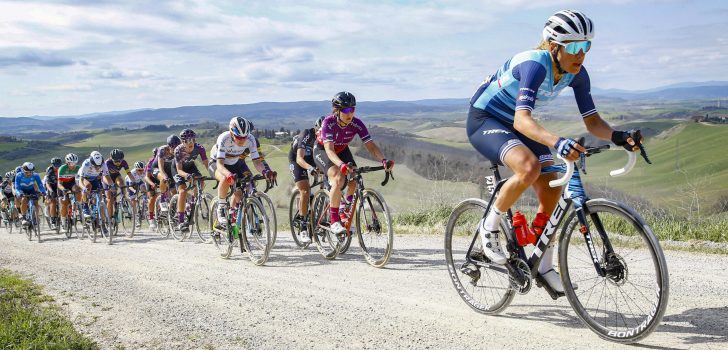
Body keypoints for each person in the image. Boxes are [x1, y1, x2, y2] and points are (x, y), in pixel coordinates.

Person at [465, 9, 643, 294]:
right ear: (553, 46)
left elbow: (593, 122)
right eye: (574, 46)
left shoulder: (577, 74)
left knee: (552, 187)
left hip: (516, 123)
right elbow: (522, 120)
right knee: (528, 167)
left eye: (586, 46)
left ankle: (543, 263)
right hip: (485, 120)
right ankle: (490, 225)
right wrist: (558, 142)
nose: (581, 54)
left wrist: (619, 136)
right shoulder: (535, 65)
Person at [313, 91, 394, 237]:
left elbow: (371, 146)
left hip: (342, 149)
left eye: (352, 109)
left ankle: (344, 207)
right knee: (338, 177)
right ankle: (334, 221)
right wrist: (341, 165)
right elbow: (330, 151)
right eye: (345, 110)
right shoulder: (328, 123)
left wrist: (383, 160)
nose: (350, 113)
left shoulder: (357, 124)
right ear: (336, 111)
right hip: (323, 151)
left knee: (355, 177)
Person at [212, 116, 277, 228]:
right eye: (238, 137)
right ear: (232, 133)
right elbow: (220, 165)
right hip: (217, 163)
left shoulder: (251, 139)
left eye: (245, 137)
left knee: (244, 187)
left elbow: (257, 162)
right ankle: (221, 207)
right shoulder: (224, 138)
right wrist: (228, 175)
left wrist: (266, 172)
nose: (242, 140)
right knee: (225, 179)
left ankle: (235, 215)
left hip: (235, 163)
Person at [289, 116, 325, 244]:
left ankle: (320, 216)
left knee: (327, 182)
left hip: (313, 159)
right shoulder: (307, 134)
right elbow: (299, 158)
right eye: (320, 132)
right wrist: (310, 169)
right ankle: (303, 226)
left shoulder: (326, 138)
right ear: (316, 129)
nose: (322, 135)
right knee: (305, 190)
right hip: (298, 159)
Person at [172, 129, 208, 232]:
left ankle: (193, 202)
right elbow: (179, 170)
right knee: (183, 191)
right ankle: (181, 221)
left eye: (193, 139)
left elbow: (207, 164)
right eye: (187, 140)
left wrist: (214, 175)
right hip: (179, 169)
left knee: (201, 182)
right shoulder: (178, 150)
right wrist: (187, 176)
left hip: (190, 166)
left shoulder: (199, 148)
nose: (191, 142)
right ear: (182, 142)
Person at [144, 135, 181, 228]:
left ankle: (173, 214)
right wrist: (164, 176)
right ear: (169, 146)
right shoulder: (162, 150)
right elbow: (160, 167)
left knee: (174, 192)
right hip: (157, 168)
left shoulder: (179, 151)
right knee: (163, 178)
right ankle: (163, 200)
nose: (175, 149)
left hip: (169, 169)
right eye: (173, 147)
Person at [77, 151, 113, 224]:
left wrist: (112, 185)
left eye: (99, 166)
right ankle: (85, 207)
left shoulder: (103, 164)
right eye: (96, 166)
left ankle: (101, 222)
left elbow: (107, 177)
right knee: (88, 186)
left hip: (93, 178)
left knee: (99, 195)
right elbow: (81, 181)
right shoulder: (86, 164)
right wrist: (84, 189)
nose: (98, 168)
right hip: (83, 178)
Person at [14, 162, 46, 227]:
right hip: (21, 190)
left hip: (31, 190)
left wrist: (43, 191)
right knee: (24, 199)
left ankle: (35, 217)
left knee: (36, 202)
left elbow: (40, 185)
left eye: (31, 172)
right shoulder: (19, 175)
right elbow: (16, 187)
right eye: (27, 172)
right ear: (23, 171)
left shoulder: (35, 175)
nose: (29, 174)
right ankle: (23, 218)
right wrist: (19, 193)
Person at [58, 153, 82, 228]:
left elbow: (80, 181)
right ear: (67, 163)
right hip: (63, 184)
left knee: (78, 190)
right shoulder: (62, 168)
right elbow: (59, 184)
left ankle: (77, 207)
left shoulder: (79, 168)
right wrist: (63, 189)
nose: (73, 165)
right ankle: (63, 221)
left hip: (72, 183)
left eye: (75, 163)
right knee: (64, 203)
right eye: (71, 163)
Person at [105, 149, 130, 220]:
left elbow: (129, 173)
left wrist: (133, 181)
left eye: (120, 161)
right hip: (107, 177)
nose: (118, 163)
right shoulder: (107, 163)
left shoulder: (124, 162)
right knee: (110, 198)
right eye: (115, 161)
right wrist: (111, 185)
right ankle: (109, 218)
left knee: (122, 183)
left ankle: (124, 200)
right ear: (111, 158)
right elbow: (104, 176)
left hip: (116, 176)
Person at [125, 161, 147, 228]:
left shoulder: (144, 172)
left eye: (142, 170)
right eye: (139, 170)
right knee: (133, 200)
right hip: (130, 184)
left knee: (145, 189)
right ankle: (136, 218)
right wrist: (135, 191)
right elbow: (130, 187)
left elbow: (146, 180)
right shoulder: (132, 173)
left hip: (139, 181)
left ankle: (144, 203)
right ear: (135, 169)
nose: (141, 172)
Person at [44, 157, 63, 229]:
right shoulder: (49, 170)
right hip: (51, 186)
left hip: (59, 186)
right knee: (53, 201)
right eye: (55, 165)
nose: (57, 167)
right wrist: (51, 191)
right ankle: (53, 221)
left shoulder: (62, 169)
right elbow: (47, 183)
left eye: (59, 165)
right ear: (52, 165)